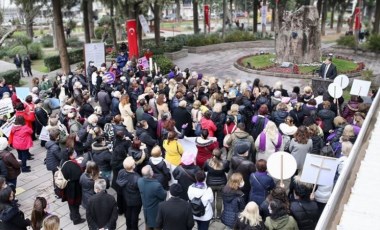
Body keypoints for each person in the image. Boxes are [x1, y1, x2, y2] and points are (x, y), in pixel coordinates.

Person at [61, 147, 86, 225]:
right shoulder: (72, 165)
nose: (75, 153)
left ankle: (72, 215)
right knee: (75, 204)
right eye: (74, 152)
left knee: (71, 204)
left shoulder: (64, 162)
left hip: (68, 187)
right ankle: (76, 219)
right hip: (74, 188)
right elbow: (79, 176)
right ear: (70, 156)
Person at [138, 165, 167, 230]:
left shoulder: (139, 181)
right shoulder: (156, 185)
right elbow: (163, 195)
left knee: (148, 224)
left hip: (146, 208)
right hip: (155, 209)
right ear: (151, 173)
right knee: (157, 225)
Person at [117, 157, 142, 230]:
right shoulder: (137, 178)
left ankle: (128, 227)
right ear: (133, 166)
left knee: (128, 214)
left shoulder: (121, 172)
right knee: (135, 215)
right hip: (136, 200)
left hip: (126, 198)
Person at [204, 148, 229, 219]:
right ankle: (218, 215)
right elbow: (227, 171)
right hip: (221, 183)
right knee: (219, 199)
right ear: (220, 155)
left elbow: (205, 169)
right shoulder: (225, 163)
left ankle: (211, 215)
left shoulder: (208, 162)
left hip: (210, 183)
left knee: (211, 200)